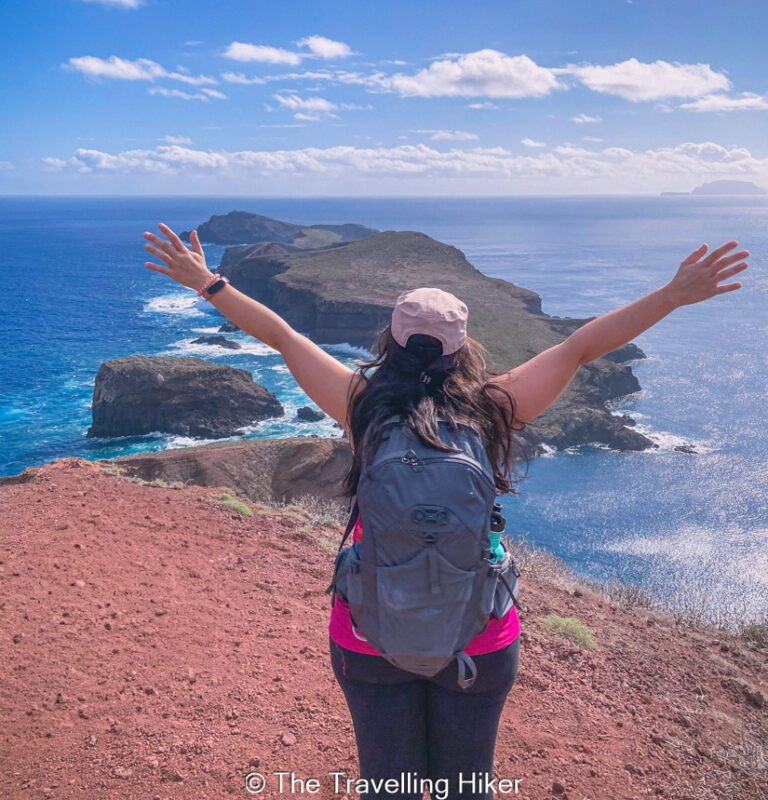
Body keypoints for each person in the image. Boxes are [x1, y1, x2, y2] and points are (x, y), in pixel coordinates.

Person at [142, 223, 748, 798]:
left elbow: (282, 337)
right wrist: (673, 294)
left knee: (389, 781)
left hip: (368, 630)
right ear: (463, 350)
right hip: (479, 633)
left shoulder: (362, 405)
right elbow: (581, 348)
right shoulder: (495, 407)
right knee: (465, 783)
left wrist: (209, 282)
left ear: (391, 341)